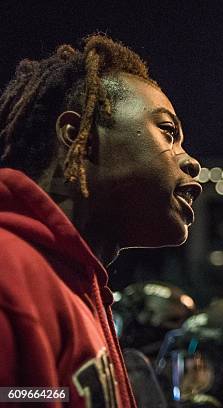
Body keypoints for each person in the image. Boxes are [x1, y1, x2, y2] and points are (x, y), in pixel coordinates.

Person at [0, 35, 202, 407]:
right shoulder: (10, 266)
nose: (191, 162)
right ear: (79, 137)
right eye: (168, 133)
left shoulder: (78, 288)